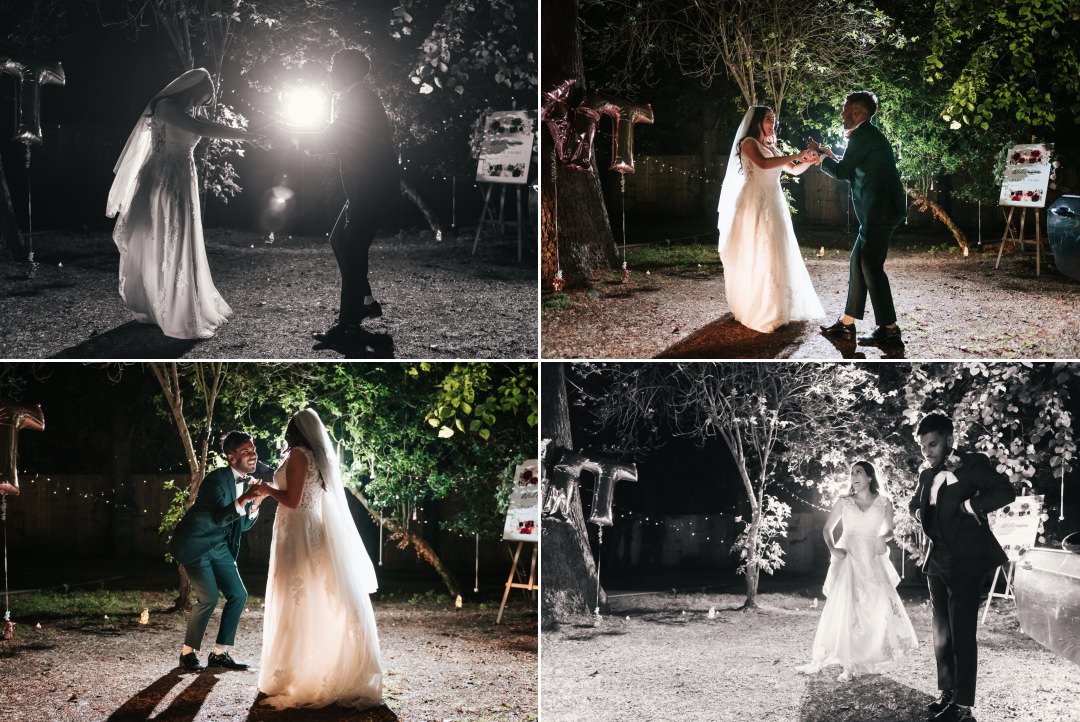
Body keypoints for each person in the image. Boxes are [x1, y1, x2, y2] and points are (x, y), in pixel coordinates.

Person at [106, 68, 263, 339]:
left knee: (178, 237)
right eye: (204, 97)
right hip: (163, 177)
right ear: (192, 91)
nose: (203, 104)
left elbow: (199, 124)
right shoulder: (166, 106)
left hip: (181, 176)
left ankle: (172, 303)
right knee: (164, 237)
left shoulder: (184, 111)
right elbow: (200, 129)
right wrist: (247, 135)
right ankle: (162, 306)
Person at [257, 408, 383, 710]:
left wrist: (264, 489)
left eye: (289, 428)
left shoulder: (300, 455)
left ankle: (304, 672)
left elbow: (292, 499)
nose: (286, 434)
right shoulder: (311, 456)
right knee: (304, 598)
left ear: (296, 431)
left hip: (299, 532)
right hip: (299, 528)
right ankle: (296, 669)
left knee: (298, 598)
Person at [909, 412, 1015, 722]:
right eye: (922, 446)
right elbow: (915, 503)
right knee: (941, 631)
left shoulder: (972, 464)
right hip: (936, 560)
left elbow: (1004, 491)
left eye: (932, 444)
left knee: (962, 632)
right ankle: (947, 691)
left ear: (949, 440)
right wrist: (918, 512)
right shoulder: (926, 474)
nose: (927, 452)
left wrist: (971, 505)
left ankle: (963, 703)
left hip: (967, 561)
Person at [293, 48, 400, 346]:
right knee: (340, 241)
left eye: (333, 67)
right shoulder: (356, 97)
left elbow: (333, 137)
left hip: (370, 190)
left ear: (347, 72)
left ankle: (349, 325)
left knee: (352, 250)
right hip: (364, 189)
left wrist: (296, 136)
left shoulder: (360, 100)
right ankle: (364, 303)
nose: (329, 73)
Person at [797, 461, 918, 681]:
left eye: (859, 472)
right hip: (849, 557)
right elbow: (827, 529)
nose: (853, 476)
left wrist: (882, 537)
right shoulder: (844, 501)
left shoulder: (884, 502)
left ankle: (870, 656)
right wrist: (834, 549)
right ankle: (848, 664)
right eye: (852, 473)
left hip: (872, 558)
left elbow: (890, 530)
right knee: (849, 608)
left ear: (870, 477)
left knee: (875, 607)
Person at [716, 106, 826, 333]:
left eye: (774, 120)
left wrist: (811, 159)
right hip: (755, 202)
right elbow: (764, 165)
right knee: (759, 252)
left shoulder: (771, 147)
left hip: (774, 203)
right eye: (768, 119)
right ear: (757, 121)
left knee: (775, 252)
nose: (772, 124)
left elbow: (794, 171)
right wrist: (796, 155)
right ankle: (758, 308)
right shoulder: (748, 143)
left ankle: (775, 307)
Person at [812, 91, 908, 347]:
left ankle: (889, 330)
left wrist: (821, 159)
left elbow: (844, 172)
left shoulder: (863, 135)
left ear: (857, 112)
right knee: (858, 263)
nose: (842, 114)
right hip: (878, 211)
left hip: (881, 211)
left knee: (871, 267)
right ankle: (846, 326)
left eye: (845, 109)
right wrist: (828, 156)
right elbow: (852, 165)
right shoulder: (866, 135)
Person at [168, 430, 269, 672]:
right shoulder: (215, 480)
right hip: (198, 544)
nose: (253, 454)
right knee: (209, 598)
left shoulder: (247, 483)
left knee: (239, 594)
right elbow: (219, 517)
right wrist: (245, 496)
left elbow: (241, 524)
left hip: (221, 547)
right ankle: (187, 654)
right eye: (245, 451)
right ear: (232, 458)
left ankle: (220, 653)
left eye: (253, 449)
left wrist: (256, 502)